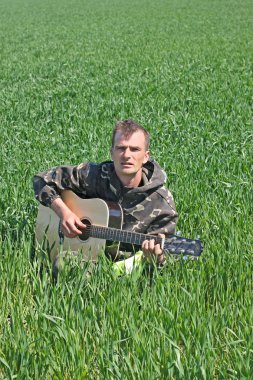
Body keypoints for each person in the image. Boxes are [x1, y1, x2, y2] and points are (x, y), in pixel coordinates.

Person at [33, 119, 178, 267]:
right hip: (86, 258)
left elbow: (164, 259)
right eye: (121, 148)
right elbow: (41, 179)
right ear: (111, 153)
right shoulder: (93, 176)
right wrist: (64, 213)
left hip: (125, 270)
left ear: (146, 156)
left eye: (134, 149)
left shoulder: (161, 202)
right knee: (64, 264)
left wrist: (156, 257)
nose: (127, 155)